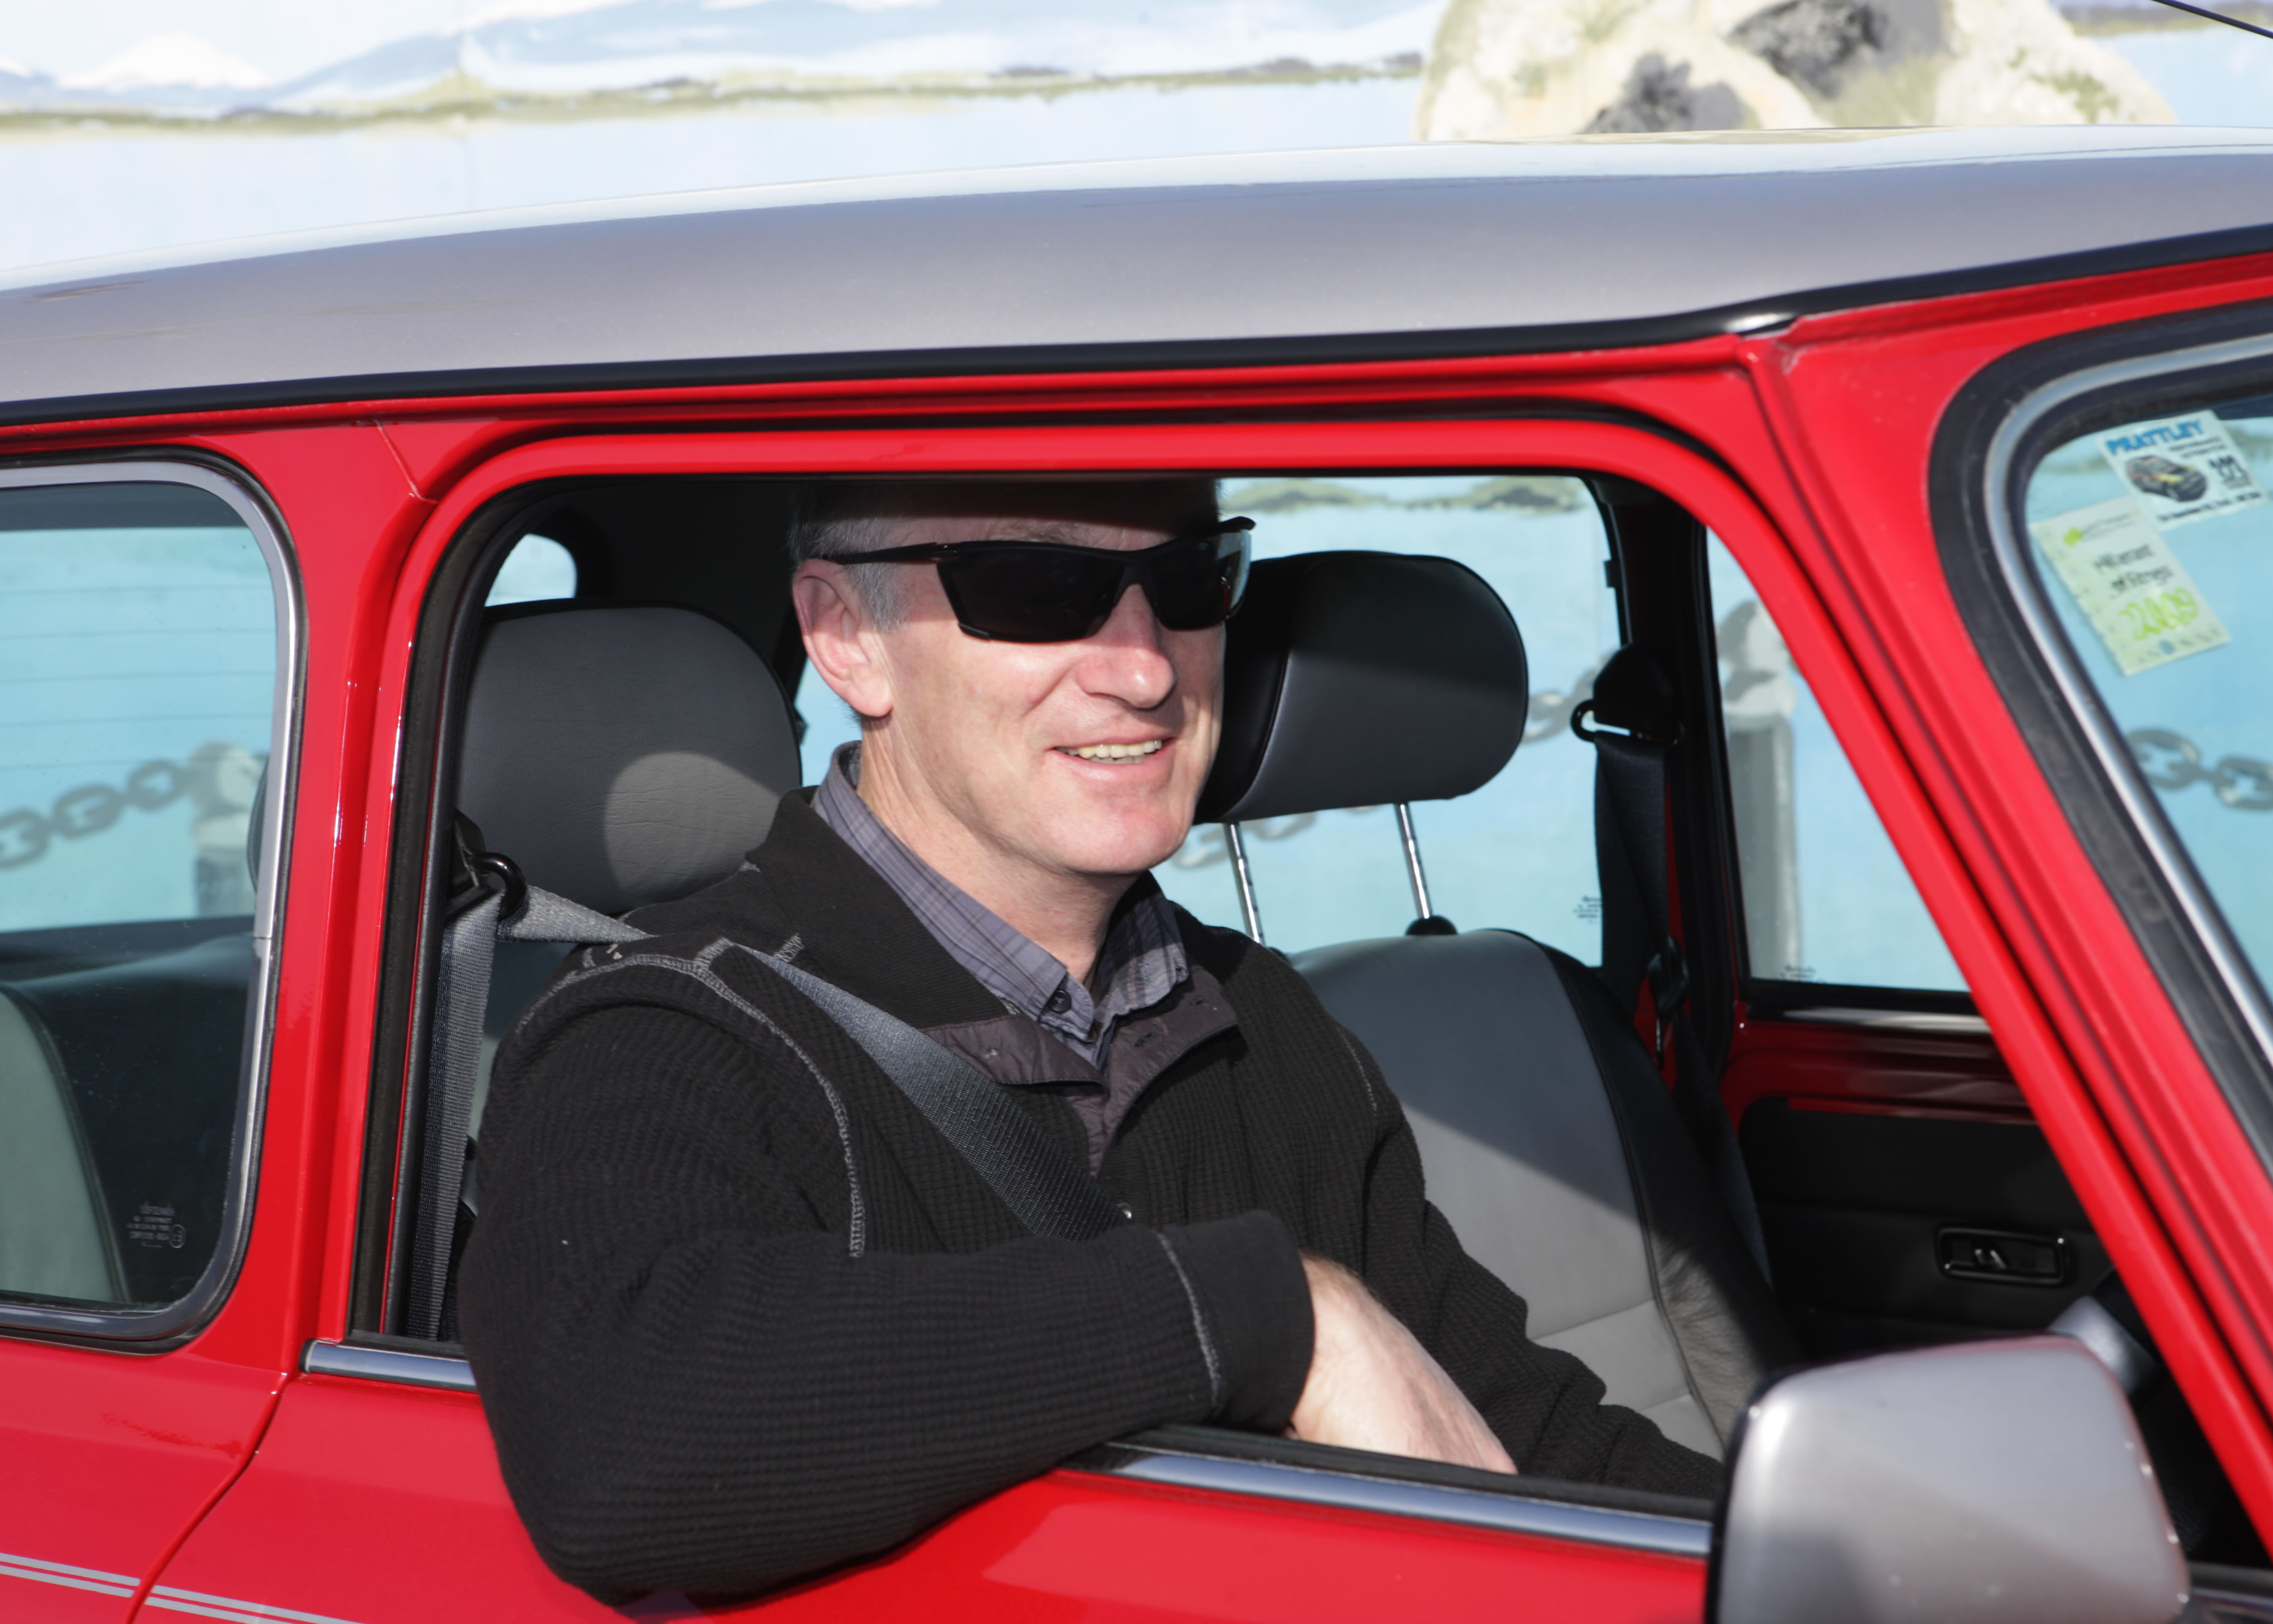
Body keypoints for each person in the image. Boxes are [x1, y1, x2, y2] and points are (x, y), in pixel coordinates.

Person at [458, 477, 1723, 1604]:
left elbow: (1519, 1433)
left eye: (1188, 580)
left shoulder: (1265, 1017)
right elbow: (622, 1442)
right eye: (1036, 587)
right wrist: (1273, 1312)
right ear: (846, 637)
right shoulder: (670, 1026)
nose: (1144, 668)